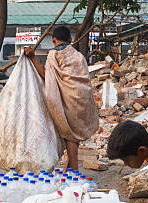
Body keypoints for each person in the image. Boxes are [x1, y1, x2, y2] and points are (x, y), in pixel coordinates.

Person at [24, 26, 99, 171]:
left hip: (68, 98)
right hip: (82, 98)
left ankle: (75, 172)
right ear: (70, 40)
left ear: (53, 40)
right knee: (74, 132)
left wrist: (33, 58)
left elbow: (47, 76)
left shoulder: (54, 54)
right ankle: (68, 168)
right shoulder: (78, 55)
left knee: (70, 135)